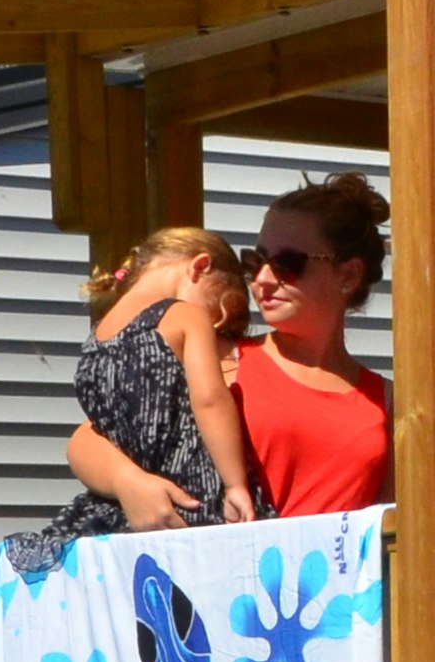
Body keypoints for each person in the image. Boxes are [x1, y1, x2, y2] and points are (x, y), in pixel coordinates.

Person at [16, 226, 266, 565]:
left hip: (122, 511)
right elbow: (210, 400)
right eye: (217, 311)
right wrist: (235, 484)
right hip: (192, 494)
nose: (214, 328)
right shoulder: (184, 316)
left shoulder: (99, 334)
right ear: (199, 267)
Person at [223, 171, 394, 516]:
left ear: (348, 275)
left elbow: (391, 528)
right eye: (255, 262)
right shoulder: (225, 362)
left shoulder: (388, 403)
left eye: (288, 264)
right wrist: (133, 485)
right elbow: (96, 439)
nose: (262, 279)